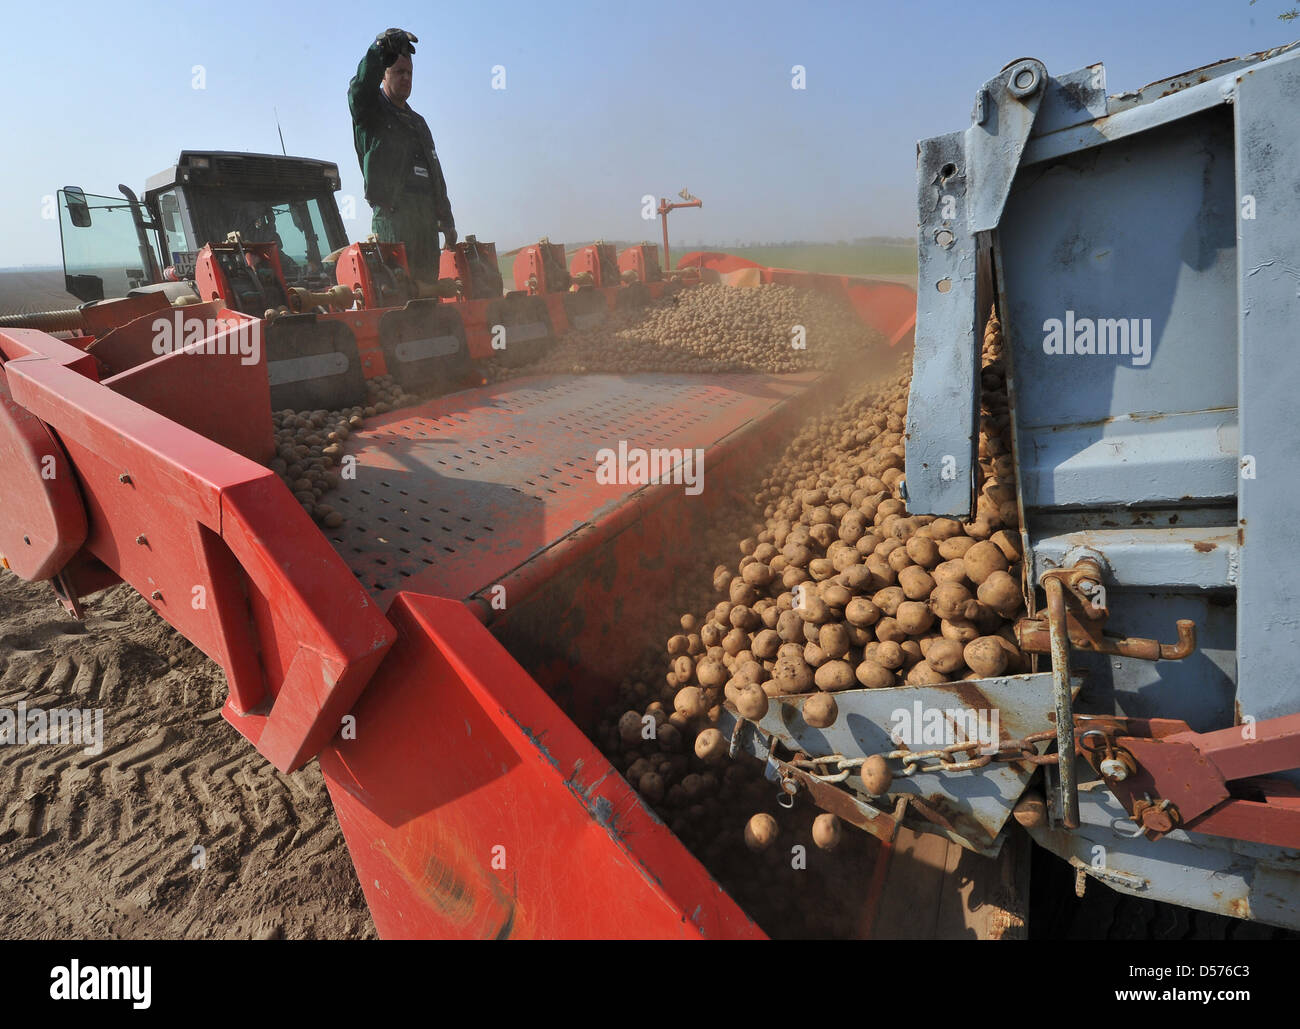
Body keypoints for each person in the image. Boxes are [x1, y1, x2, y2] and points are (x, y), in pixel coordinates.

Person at [347, 27, 457, 282]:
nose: (405, 78)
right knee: (398, 292)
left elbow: (435, 173)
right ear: (383, 76)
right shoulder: (370, 112)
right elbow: (360, 88)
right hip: (393, 218)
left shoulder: (419, 123)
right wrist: (380, 49)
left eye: (409, 73)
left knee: (428, 292)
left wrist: (447, 219)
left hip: (426, 221)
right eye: (398, 72)